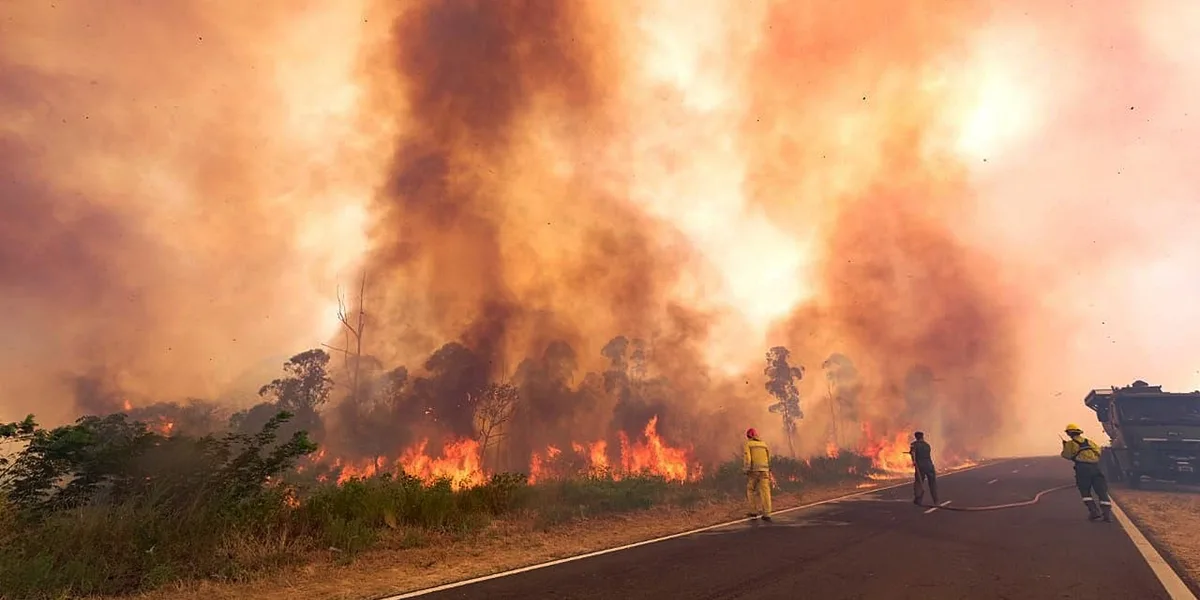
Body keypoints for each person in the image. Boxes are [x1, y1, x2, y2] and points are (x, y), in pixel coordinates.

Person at [1060, 423, 1112, 522]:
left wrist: (1065, 446)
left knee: (1085, 492)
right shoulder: (1089, 441)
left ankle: (1094, 512)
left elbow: (1066, 455)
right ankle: (1107, 515)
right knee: (1102, 491)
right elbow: (1098, 451)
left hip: (1082, 469)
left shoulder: (1071, 444)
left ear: (1069, 434)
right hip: (1096, 468)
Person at [743, 428, 773, 521]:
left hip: (754, 471)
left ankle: (753, 512)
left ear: (749, 436)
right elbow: (769, 457)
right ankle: (767, 514)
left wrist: (746, 470)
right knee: (765, 492)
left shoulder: (748, 444)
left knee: (750, 489)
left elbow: (748, 458)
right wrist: (768, 469)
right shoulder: (764, 444)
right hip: (765, 471)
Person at [910, 431, 939, 506]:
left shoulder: (914, 445)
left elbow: (913, 453)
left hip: (920, 466)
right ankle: (936, 501)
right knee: (932, 484)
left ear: (916, 437)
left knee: (918, 483)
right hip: (930, 466)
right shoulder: (927, 445)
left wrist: (913, 461)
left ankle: (918, 499)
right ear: (922, 437)